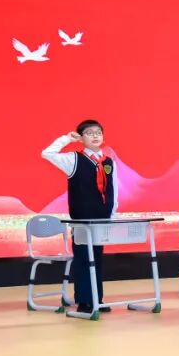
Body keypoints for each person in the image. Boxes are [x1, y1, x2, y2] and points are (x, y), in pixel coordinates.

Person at [41, 120, 118, 315]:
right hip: (82, 219)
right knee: (83, 258)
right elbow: (47, 153)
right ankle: (84, 300)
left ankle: (96, 299)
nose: (95, 136)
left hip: (101, 218)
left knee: (97, 258)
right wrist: (67, 139)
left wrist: (112, 214)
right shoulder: (73, 159)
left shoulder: (108, 162)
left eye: (98, 132)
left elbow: (113, 190)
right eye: (89, 133)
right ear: (81, 138)